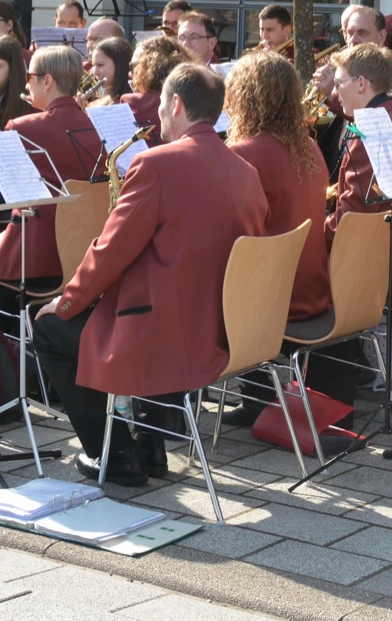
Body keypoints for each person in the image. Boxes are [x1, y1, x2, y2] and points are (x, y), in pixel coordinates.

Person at [33, 66, 269, 483]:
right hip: (225, 331)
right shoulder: (246, 171)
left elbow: (109, 251)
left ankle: (115, 455)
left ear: (176, 105)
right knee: (149, 301)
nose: (158, 114)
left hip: (169, 336)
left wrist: (66, 302)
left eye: (160, 103)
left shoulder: (156, 164)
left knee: (51, 330)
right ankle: (150, 448)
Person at [221, 51, 331, 428]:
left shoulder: (242, 153)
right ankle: (258, 398)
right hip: (312, 286)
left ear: (244, 97)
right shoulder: (309, 146)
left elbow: (233, 236)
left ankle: (168, 410)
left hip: (275, 300)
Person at [0, 45, 101, 299]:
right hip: (86, 250)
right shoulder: (98, 125)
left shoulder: (22, 127)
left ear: (47, 81)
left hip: (35, 255)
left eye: (30, 77)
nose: (27, 83)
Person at [328, 43, 392, 299]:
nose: (335, 92)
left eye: (339, 83)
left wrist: (307, 233)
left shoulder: (368, 136)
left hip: (379, 273)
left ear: (361, 83)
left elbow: (349, 225)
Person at [125, 35, 186, 126]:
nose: (130, 73)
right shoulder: (189, 95)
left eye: (134, 66)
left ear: (151, 67)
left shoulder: (135, 103)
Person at [87, 36, 134, 106]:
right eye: (93, 65)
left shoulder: (131, 102)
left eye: (100, 65)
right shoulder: (101, 101)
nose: (95, 72)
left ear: (119, 64)